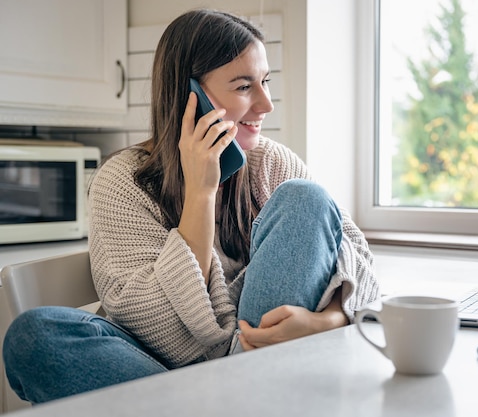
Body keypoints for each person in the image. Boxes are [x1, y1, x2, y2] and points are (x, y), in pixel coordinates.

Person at [2, 9, 379, 404]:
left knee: (307, 197)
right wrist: (201, 192)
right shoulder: (120, 182)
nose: (266, 104)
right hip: (160, 369)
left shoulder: (274, 164)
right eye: (244, 86)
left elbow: (362, 269)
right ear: (190, 97)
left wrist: (326, 321)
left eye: (265, 82)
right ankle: (232, 402)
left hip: (235, 374)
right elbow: (159, 329)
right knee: (34, 336)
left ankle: (224, 399)